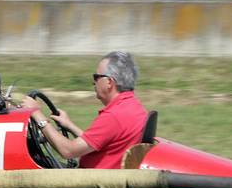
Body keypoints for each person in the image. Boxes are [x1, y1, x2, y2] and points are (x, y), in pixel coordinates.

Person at [18, 51, 148, 169]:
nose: (93, 82)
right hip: (107, 178)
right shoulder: (134, 107)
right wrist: (69, 125)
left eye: (96, 77)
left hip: (93, 183)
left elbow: (68, 151)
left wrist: (38, 115)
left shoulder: (114, 116)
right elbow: (99, 142)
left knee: (31, 167)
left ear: (110, 82)